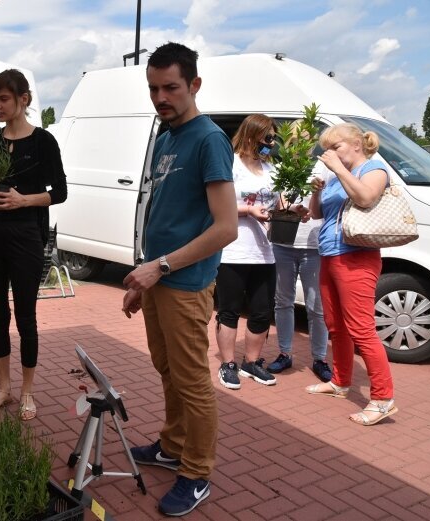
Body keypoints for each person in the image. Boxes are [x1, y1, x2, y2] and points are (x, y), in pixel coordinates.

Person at [122, 42, 237, 517]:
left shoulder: (208, 140)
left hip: (185, 285)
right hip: (158, 281)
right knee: (167, 370)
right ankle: (172, 446)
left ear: (194, 85)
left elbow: (226, 227)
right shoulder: (167, 135)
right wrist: (142, 278)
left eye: (170, 87)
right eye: (153, 88)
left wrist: (161, 267)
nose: (160, 97)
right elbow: (166, 213)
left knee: (192, 382)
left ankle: (197, 472)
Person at [0, 69, 67, 421]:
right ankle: (3, 389)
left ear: (23, 99)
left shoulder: (44, 142)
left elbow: (60, 193)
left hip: (27, 235)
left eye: (4, 99)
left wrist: (24, 201)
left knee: (26, 316)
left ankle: (27, 392)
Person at [306, 123, 397, 426]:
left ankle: (383, 399)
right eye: (327, 148)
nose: (329, 153)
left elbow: (366, 199)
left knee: (361, 329)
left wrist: (338, 171)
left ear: (356, 144)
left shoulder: (374, 169)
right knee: (335, 325)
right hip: (330, 254)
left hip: (357, 256)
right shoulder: (335, 176)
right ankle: (340, 381)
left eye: (336, 146)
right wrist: (316, 193)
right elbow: (319, 215)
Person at [215, 114, 279, 390]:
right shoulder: (231, 165)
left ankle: (251, 362)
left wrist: (293, 211)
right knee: (229, 310)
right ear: (252, 135)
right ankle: (228, 364)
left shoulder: (270, 168)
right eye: (268, 138)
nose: (272, 143)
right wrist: (248, 210)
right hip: (234, 249)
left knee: (263, 311)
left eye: (274, 138)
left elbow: (280, 201)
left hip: (266, 252)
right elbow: (217, 204)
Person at [267, 159, 332, 382]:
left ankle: (320, 358)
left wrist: (313, 202)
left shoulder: (323, 167)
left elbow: (324, 207)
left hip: (313, 246)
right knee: (283, 301)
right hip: (283, 244)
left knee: (316, 306)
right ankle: (285, 353)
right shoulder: (282, 167)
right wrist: (293, 209)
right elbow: (277, 203)